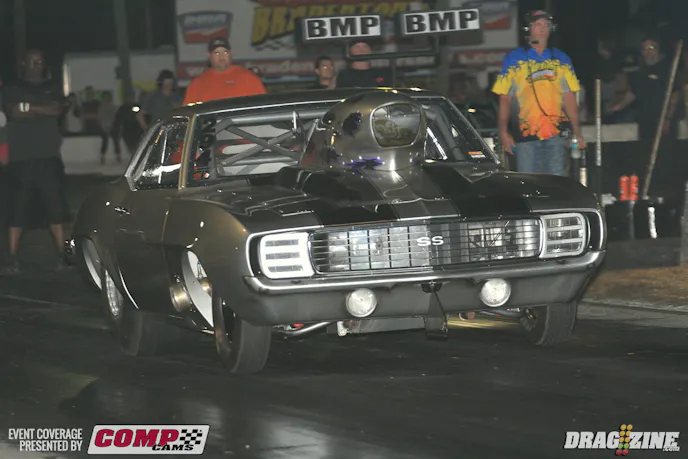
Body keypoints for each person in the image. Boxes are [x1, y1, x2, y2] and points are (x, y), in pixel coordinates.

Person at [492, 10, 585, 176]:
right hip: (525, 136)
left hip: (556, 134)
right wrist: (503, 131)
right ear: (528, 28)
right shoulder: (514, 59)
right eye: (537, 24)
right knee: (529, 183)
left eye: (546, 25)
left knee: (557, 183)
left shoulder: (561, 59)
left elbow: (569, 97)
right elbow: (505, 98)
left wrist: (577, 132)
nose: (542, 28)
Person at [1, 49, 68, 274]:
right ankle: (12, 258)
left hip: (48, 158)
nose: (38, 65)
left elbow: (57, 109)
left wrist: (29, 107)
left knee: (55, 209)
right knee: (16, 211)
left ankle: (62, 256)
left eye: (40, 61)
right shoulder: (12, 88)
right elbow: (13, 112)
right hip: (20, 159)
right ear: (23, 63)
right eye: (33, 61)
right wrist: (42, 109)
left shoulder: (52, 87)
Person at [608, 38, 684, 141]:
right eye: (645, 49)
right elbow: (634, 93)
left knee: (666, 149)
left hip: (662, 121)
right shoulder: (641, 72)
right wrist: (619, 107)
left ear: (658, 49)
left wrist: (668, 118)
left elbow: (675, 95)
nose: (648, 51)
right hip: (645, 121)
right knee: (645, 148)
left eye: (651, 48)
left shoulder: (667, 69)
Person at [182, 37, 266, 105]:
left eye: (225, 52)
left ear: (230, 53)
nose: (222, 57)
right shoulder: (197, 84)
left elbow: (262, 108)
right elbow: (188, 112)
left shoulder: (248, 78)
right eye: (217, 53)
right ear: (209, 55)